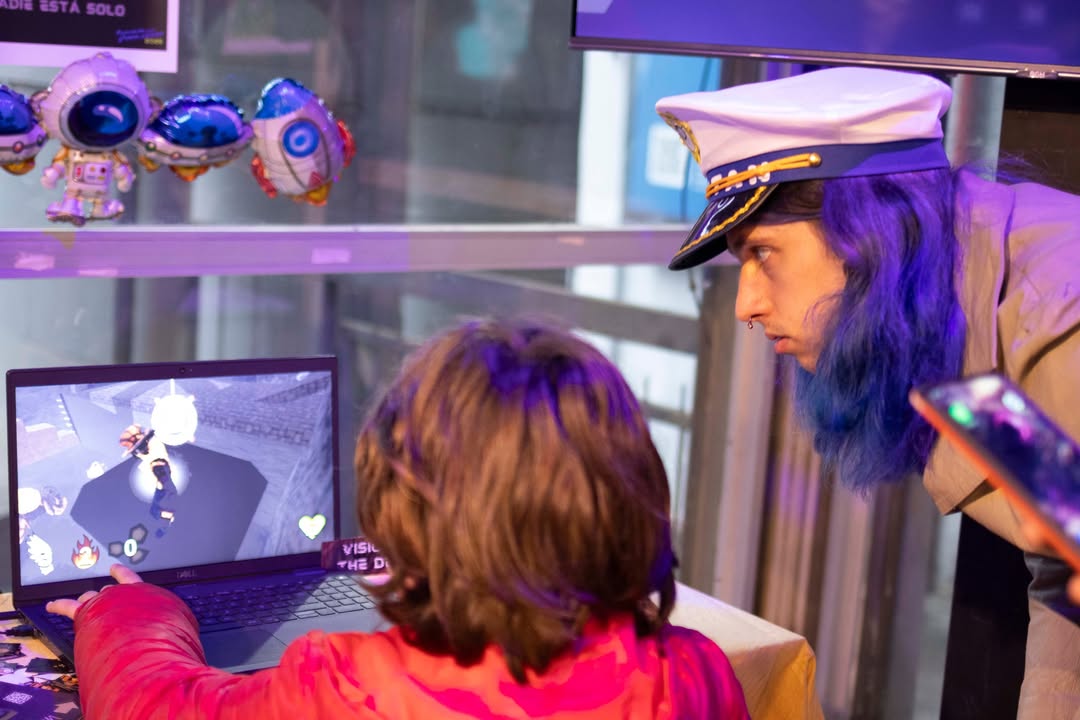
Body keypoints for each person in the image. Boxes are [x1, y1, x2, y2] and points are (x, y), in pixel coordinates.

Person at [47, 318, 750, 720]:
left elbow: (165, 708)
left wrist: (129, 613)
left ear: (408, 507)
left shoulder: (355, 687)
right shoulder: (695, 675)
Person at [655, 66, 1080, 718]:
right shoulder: (955, 309)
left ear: (867, 233)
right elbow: (1064, 554)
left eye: (762, 252)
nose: (746, 305)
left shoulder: (1057, 319)